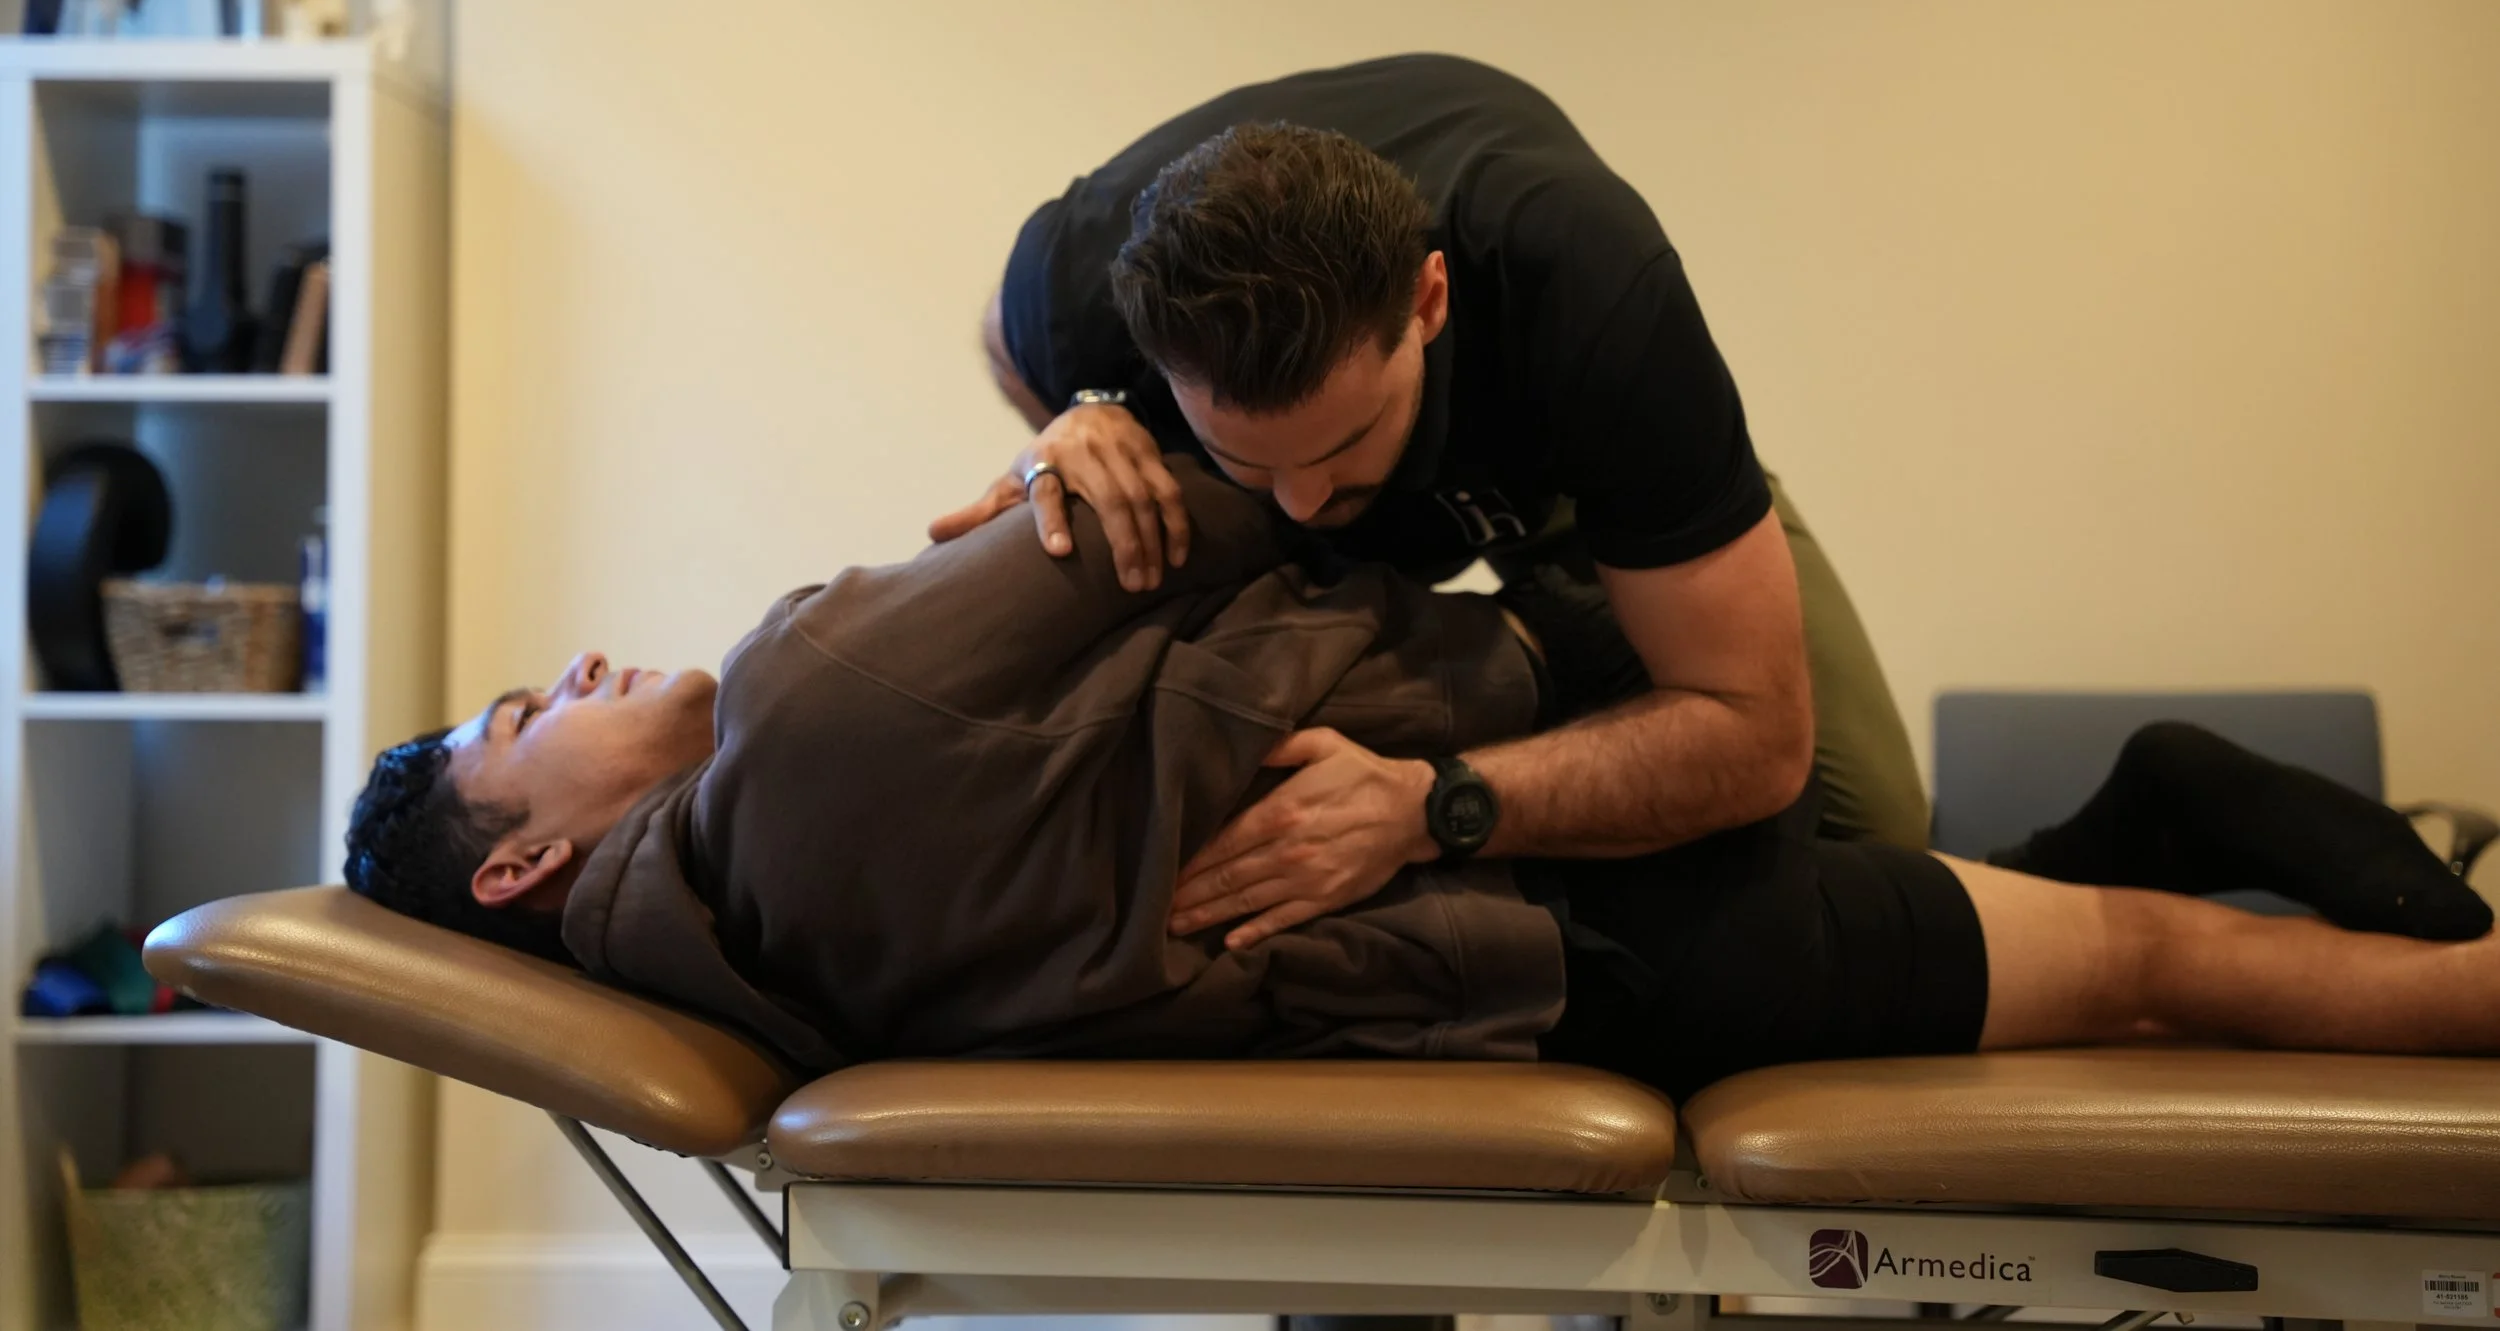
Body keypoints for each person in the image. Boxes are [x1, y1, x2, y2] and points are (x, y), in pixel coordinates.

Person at [346, 460, 2497, 1095]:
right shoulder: (805, 705)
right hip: (1568, 834)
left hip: (1521, 872)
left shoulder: (763, 970)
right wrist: (1079, 437)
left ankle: (2151, 801)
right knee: (2126, 960)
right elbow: (1244, 483)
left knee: (1977, 910)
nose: (582, 662)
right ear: (526, 863)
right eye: (529, 709)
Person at [935, 56, 1924, 973]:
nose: (1306, 503)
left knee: (1875, 828)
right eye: (1253, 458)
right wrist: (1074, 422)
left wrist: (1432, 804)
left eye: (1341, 443)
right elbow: (1004, 336)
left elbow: (1756, 734)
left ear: (1429, 301)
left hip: (1564, 474)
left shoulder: (1586, 286)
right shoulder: (1079, 277)